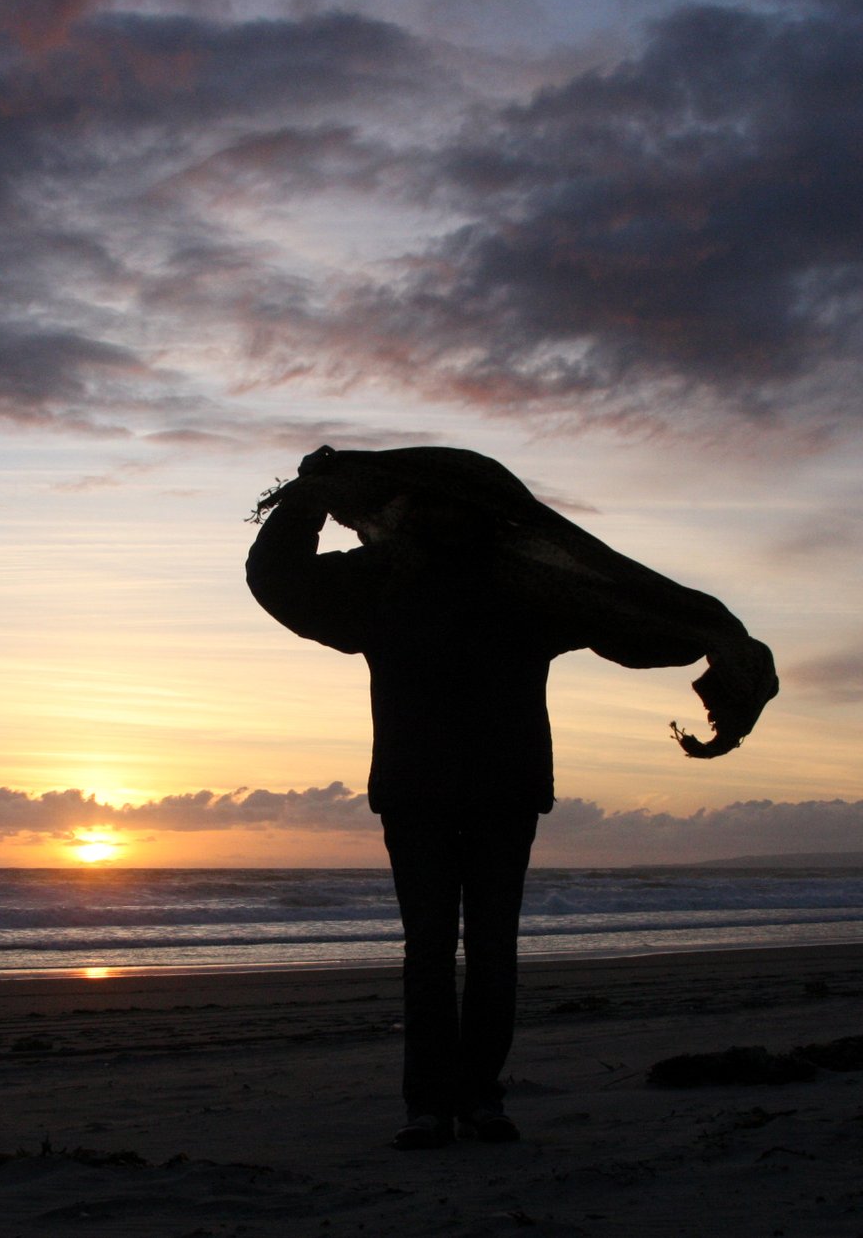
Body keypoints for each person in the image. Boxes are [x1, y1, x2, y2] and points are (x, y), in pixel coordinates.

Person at [245, 445, 775, 1150]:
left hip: (500, 791)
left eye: (455, 502)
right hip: (419, 792)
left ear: (485, 513)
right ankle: (431, 1107)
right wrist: (309, 496)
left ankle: (477, 1100)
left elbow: (624, 610)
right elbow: (279, 578)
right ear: (409, 507)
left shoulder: (525, 587)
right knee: (432, 952)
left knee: (487, 951)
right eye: (430, 500)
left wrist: (710, 632)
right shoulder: (383, 583)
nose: (444, 514)